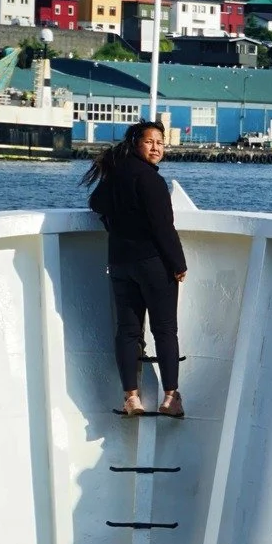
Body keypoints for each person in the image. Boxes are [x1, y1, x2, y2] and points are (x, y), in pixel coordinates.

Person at [82, 120, 188, 417]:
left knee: (128, 332)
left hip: (120, 263)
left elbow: (96, 203)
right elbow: (163, 228)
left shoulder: (115, 176)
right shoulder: (151, 180)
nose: (156, 147)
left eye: (160, 143)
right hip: (153, 265)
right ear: (135, 144)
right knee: (165, 329)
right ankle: (170, 398)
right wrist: (178, 265)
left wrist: (112, 226)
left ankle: (131, 398)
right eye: (150, 142)